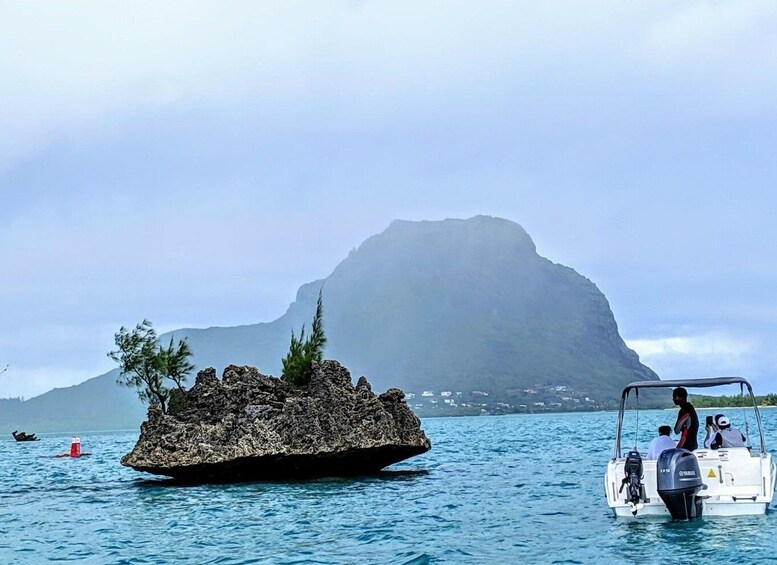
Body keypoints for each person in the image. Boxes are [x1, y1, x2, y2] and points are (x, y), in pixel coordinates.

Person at [672, 387, 699, 451]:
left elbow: (676, 430)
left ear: (681, 397)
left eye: (675, 397)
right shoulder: (690, 408)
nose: (673, 399)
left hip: (687, 445)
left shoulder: (684, 410)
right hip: (693, 443)